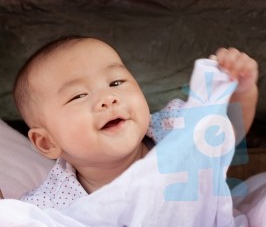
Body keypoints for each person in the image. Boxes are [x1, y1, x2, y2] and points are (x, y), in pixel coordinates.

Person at [11, 36, 258, 208]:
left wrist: (242, 90)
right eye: (78, 96)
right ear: (47, 142)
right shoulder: (53, 200)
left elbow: (227, 132)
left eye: (116, 82)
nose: (108, 98)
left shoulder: (173, 128)